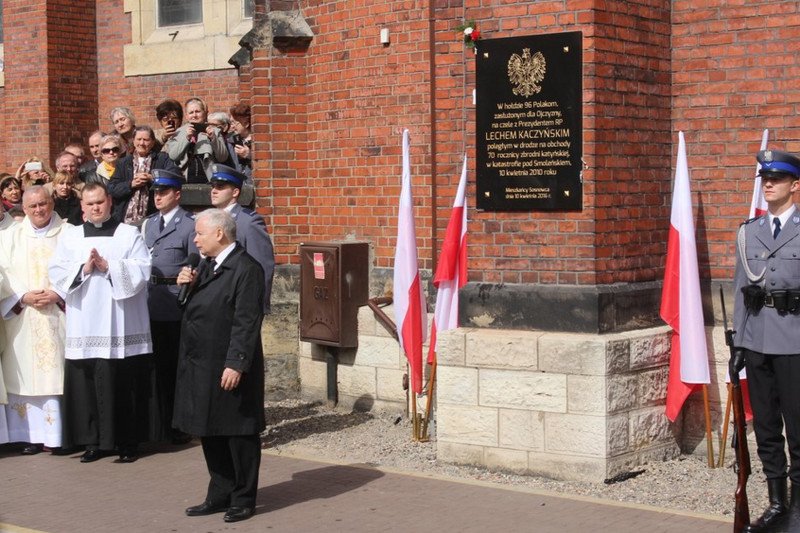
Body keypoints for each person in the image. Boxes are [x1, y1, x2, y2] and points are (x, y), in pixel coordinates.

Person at [48, 182, 153, 463]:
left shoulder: (128, 233)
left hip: (122, 323)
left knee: (124, 383)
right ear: (82, 206)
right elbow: (56, 271)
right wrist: (83, 268)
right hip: (85, 321)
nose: (95, 207)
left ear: (110, 202)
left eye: (100, 202)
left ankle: (127, 442)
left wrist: (109, 268)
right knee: (88, 383)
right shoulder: (70, 237)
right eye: (90, 203)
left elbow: (143, 268)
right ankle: (93, 442)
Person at [174, 208, 265, 523]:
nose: (195, 239)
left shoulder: (245, 268)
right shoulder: (206, 264)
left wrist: (236, 363)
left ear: (219, 233)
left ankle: (243, 496)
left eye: (199, 233)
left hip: (228, 363)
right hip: (202, 363)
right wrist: (185, 286)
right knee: (209, 428)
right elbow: (193, 307)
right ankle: (220, 492)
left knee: (237, 432)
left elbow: (246, 321)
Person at [732, 149, 800, 532]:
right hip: (757, 342)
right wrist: (739, 344)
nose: (768, 184)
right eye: (765, 179)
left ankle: (798, 511)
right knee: (767, 428)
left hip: (795, 343)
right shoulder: (749, 232)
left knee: (799, 429)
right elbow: (742, 290)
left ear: (795, 185)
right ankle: (777, 504)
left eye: (776, 178)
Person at [0, 186, 67, 455]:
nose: (39, 210)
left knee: (56, 374)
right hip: (22, 315)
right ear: (23, 209)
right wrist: (22, 297)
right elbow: (2, 273)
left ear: (51, 203)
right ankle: (28, 435)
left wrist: (58, 293)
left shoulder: (70, 233)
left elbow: (77, 268)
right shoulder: (9, 237)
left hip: (57, 315)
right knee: (24, 373)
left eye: (43, 204)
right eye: (33, 206)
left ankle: (59, 436)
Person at [141, 169, 197, 443]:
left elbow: (195, 265)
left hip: (174, 301)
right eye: (155, 193)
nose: (158, 197)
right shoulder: (148, 223)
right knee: (155, 367)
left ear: (177, 194)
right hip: (150, 301)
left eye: (163, 192)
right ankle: (159, 422)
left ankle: (179, 425)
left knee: (175, 366)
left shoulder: (189, 224)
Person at [209, 164, 274, 314]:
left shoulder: (248, 221)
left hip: (239, 302)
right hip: (215, 300)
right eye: (213, 186)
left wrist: (257, 305)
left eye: (220, 186)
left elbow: (262, 265)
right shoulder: (209, 219)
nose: (213, 190)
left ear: (235, 192)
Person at [108, 125, 181, 225]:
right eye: (139, 139)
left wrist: (153, 178)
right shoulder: (123, 163)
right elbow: (112, 189)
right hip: (124, 219)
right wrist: (131, 184)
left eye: (146, 140)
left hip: (153, 217)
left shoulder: (162, 159)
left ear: (152, 142)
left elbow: (175, 176)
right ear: (133, 141)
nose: (142, 143)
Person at [165, 97, 228, 183]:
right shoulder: (179, 132)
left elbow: (223, 157)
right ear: (186, 116)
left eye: (198, 111)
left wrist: (213, 138)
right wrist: (186, 138)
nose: (194, 115)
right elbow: (173, 156)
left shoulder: (214, 131)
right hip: (184, 180)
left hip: (209, 181)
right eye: (191, 112)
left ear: (205, 113)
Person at [229, 103, 253, 178]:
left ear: (246, 124)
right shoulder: (230, 141)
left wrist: (249, 156)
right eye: (231, 123)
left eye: (234, 123)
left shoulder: (259, 142)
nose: (232, 127)